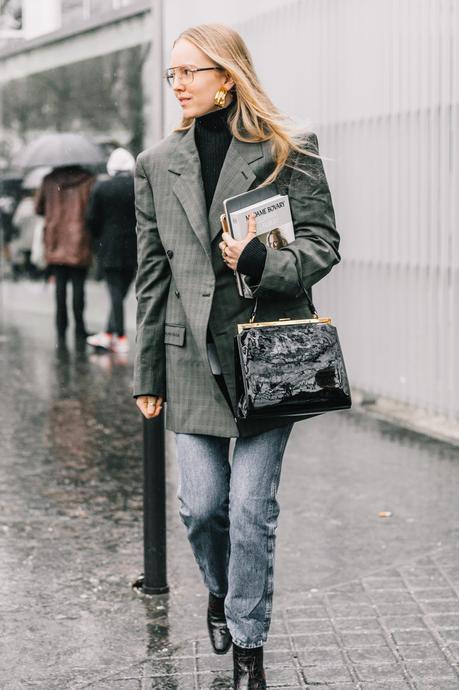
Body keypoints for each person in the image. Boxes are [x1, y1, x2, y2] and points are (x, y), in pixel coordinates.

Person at [133, 24, 340, 690]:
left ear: (227, 76)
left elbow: (321, 244)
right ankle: (219, 591)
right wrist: (146, 372)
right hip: (189, 360)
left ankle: (249, 645)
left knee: (252, 511)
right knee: (201, 509)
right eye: (173, 74)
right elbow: (152, 276)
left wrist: (260, 260)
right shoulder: (155, 164)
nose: (179, 84)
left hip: (265, 357)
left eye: (190, 71)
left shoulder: (288, 149)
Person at [35, 165, 95, 345]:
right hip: (79, 239)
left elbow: (38, 209)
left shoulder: (48, 180)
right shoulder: (88, 180)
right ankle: (79, 327)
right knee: (79, 287)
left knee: (59, 288)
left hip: (56, 239)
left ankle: (61, 327)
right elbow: (92, 209)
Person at [85, 148, 137, 354]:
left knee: (115, 292)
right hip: (134, 246)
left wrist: (98, 239)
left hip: (109, 247)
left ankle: (120, 336)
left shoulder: (101, 188)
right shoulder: (138, 186)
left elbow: (91, 219)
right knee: (121, 292)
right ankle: (108, 333)